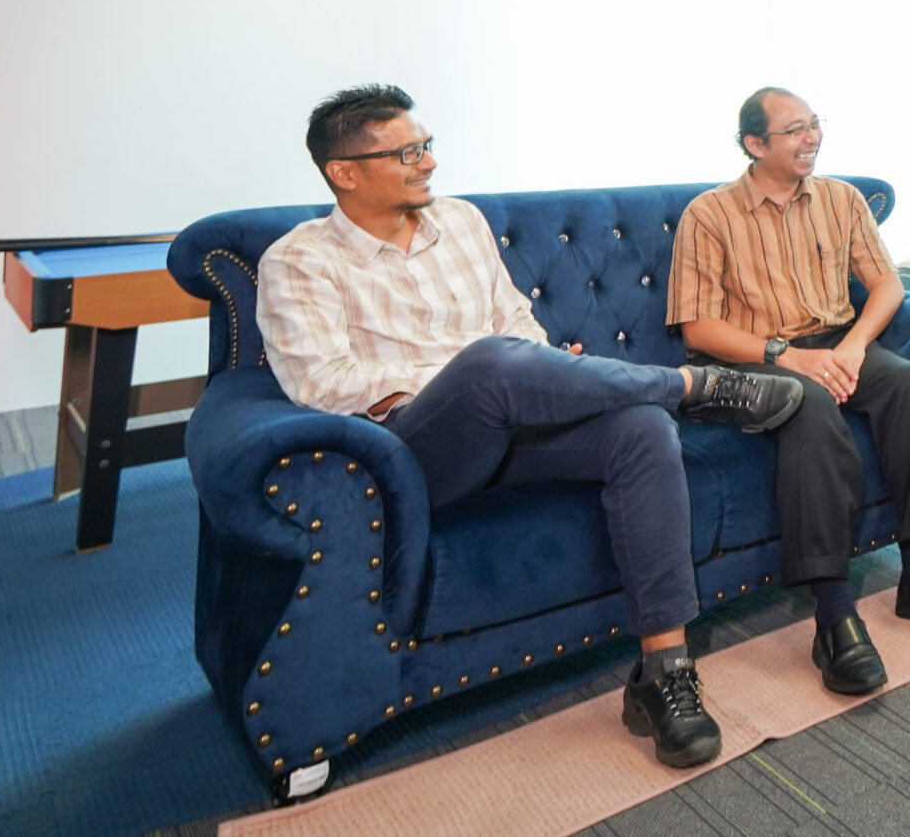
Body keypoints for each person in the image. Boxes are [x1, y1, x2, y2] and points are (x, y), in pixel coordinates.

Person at [257, 85, 802, 770]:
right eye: (407, 152)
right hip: (415, 445)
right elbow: (323, 381)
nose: (427, 162)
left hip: (510, 423)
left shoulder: (459, 222)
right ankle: (691, 385)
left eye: (427, 146)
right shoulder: (298, 260)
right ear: (345, 171)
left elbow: (516, 322)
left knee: (639, 428)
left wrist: (538, 370)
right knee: (487, 363)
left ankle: (665, 671)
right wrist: (480, 376)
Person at [668, 88, 910, 697]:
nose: (811, 138)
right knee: (812, 406)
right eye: (794, 130)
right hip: (752, 359)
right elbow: (699, 328)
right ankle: (832, 613)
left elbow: (887, 287)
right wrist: (788, 355)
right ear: (754, 144)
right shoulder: (709, 215)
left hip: (835, 344)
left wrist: (852, 348)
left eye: (814, 125)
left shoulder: (842, 199)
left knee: (909, 383)